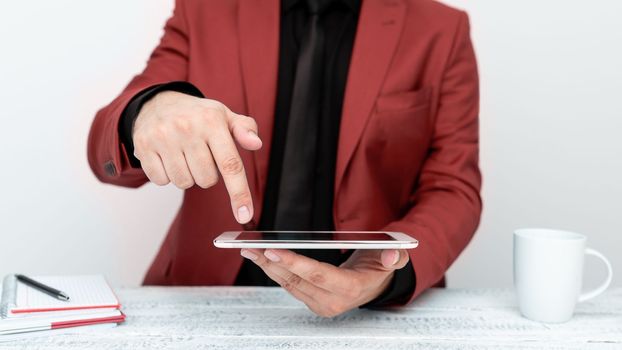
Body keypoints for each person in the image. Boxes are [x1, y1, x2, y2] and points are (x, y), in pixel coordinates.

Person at [88, 0, 481, 317]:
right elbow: (104, 157)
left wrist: (384, 273)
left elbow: (453, 187)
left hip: (366, 309)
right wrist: (144, 113)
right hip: (206, 301)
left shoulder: (441, 30)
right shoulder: (204, 9)